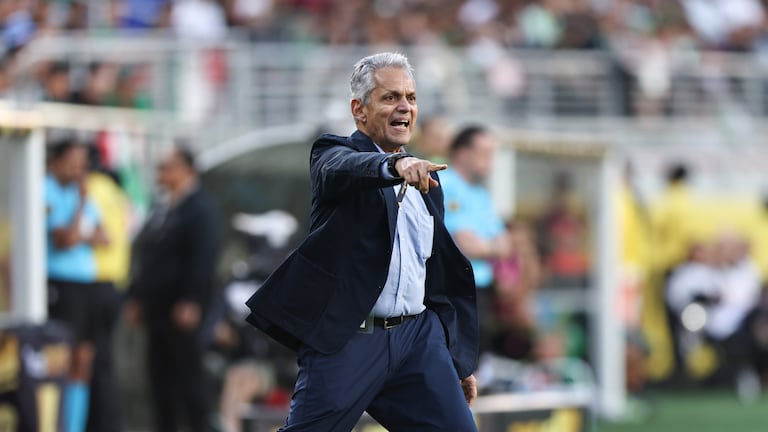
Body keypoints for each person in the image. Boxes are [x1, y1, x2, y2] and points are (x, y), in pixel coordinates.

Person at [245, 52, 479, 431]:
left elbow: (434, 276)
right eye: (390, 97)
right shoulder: (332, 154)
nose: (404, 107)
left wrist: (455, 358)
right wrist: (393, 165)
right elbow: (345, 168)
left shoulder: (427, 180)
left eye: (411, 98)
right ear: (359, 110)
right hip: (351, 341)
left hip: (417, 341)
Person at [124, 144, 222, 432]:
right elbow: (148, 256)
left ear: (187, 170)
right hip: (157, 309)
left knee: (189, 379)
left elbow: (203, 259)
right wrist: (136, 296)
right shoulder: (163, 207)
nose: (161, 173)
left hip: (182, 309)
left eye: (168, 167)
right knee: (160, 379)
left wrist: (192, 299)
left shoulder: (200, 210)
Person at [45, 140, 110, 432]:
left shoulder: (76, 192)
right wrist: (82, 210)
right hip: (62, 284)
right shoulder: (45, 190)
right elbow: (66, 239)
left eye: (82, 163)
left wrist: (81, 231)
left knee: (84, 359)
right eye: (73, 162)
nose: (78, 170)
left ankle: (75, 426)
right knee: (63, 358)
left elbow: (104, 237)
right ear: (56, 161)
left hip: (87, 285)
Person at [439, 125, 513, 351]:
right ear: (463, 153)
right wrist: (490, 246)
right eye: (484, 153)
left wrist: (484, 246)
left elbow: (505, 245)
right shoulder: (444, 184)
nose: (490, 161)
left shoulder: (481, 194)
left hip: (481, 289)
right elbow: (462, 244)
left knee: (478, 353)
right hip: (452, 288)